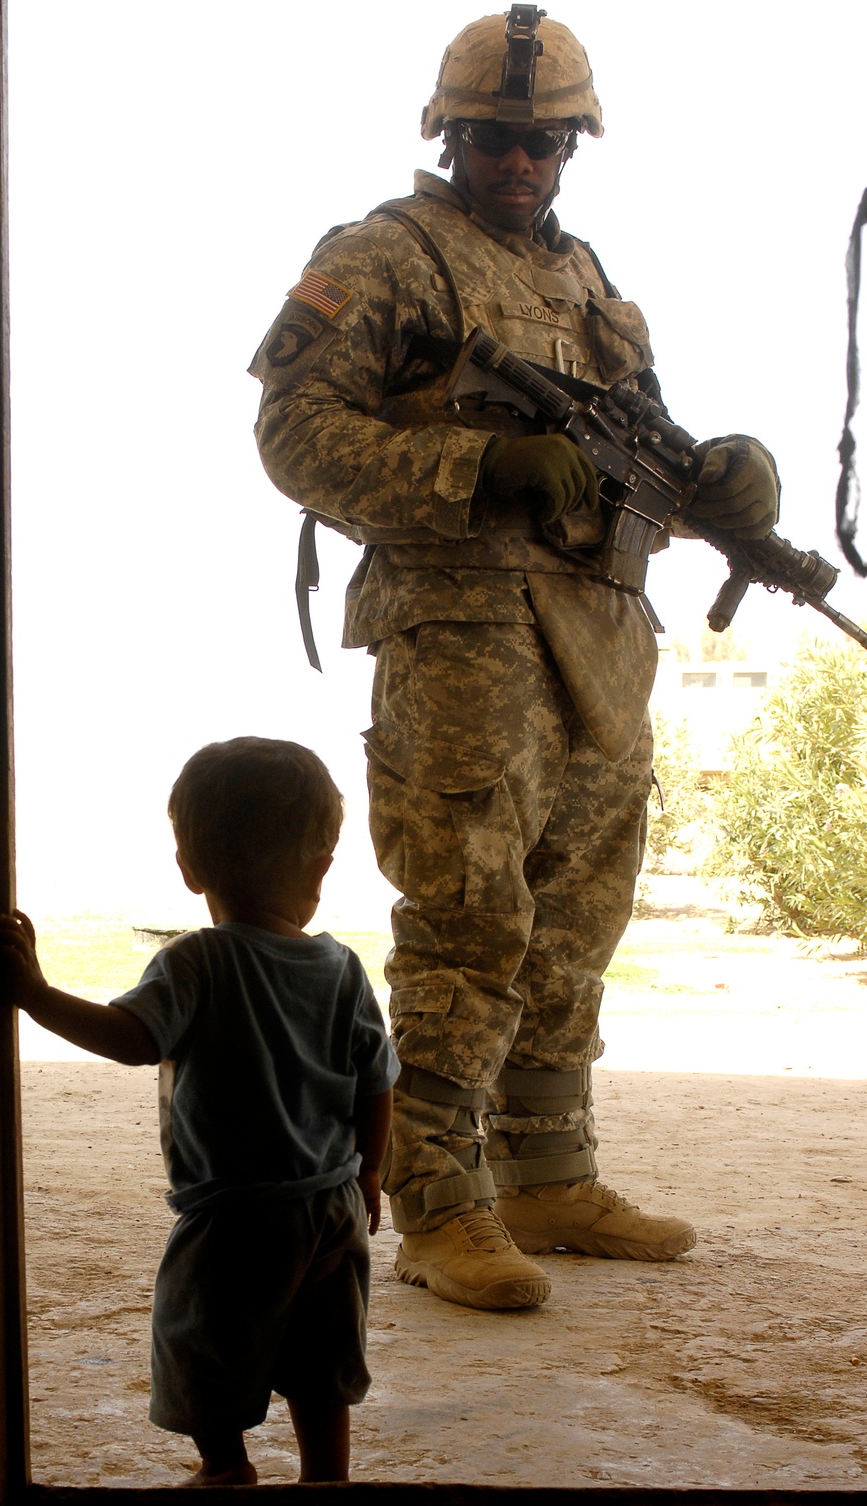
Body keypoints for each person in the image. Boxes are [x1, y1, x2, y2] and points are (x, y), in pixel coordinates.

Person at [249, 8, 780, 1312]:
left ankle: (551, 1172)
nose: (519, 164)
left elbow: (638, 455)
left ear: (575, 149)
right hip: (463, 635)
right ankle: (438, 1205)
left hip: (602, 641)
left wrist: (722, 482)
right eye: (493, 138)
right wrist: (473, 463)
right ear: (449, 133)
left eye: (545, 144)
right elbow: (295, 434)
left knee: (576, 928)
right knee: (470, 924)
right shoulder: (383, 255)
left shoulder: (596, 289)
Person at [0, 737, 398, 1487]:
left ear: (189, 869)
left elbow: (131, 1038)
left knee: (202, 1342)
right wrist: (371, 1169)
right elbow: (378, 1078)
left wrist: (35, 995)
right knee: (321, 1359)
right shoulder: (342, 968)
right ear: (320, 869)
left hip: (235, 1218)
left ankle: (225, 1467)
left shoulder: (197, 961)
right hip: (333, 1205)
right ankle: (326, 1479)